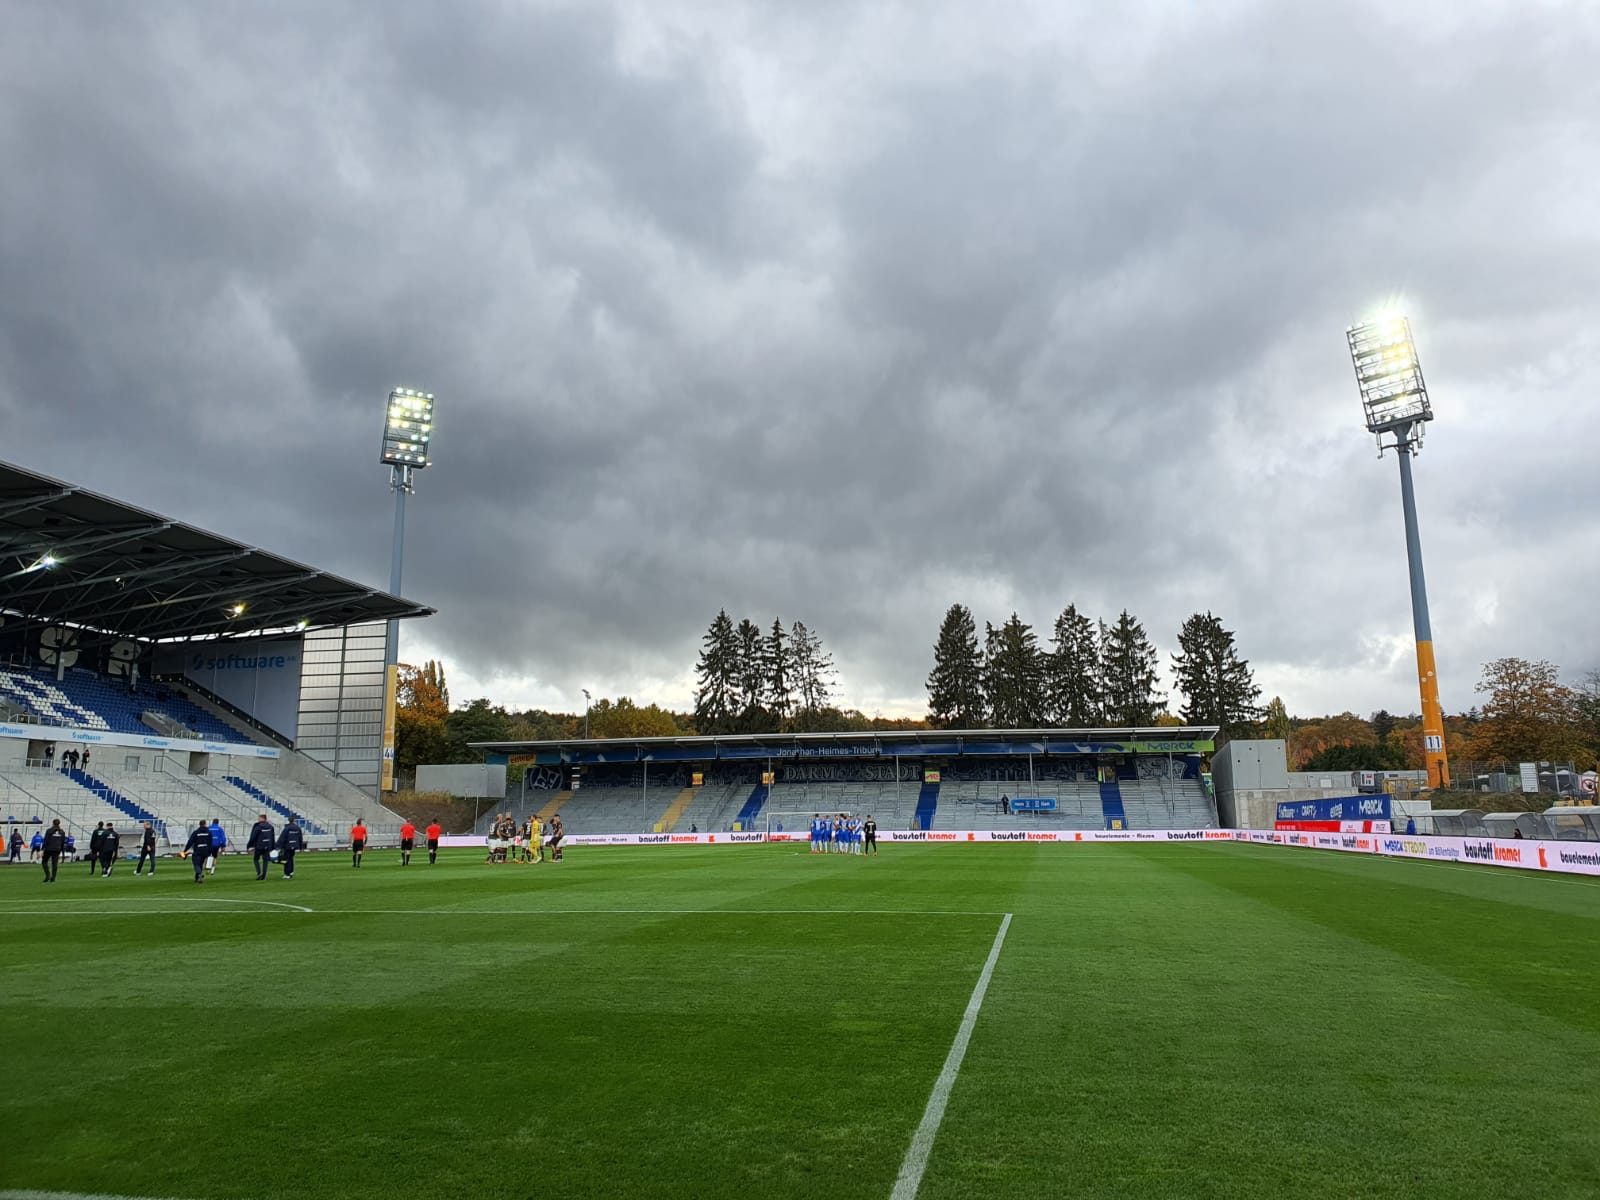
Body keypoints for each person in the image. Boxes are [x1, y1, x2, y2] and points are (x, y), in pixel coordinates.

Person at [246, 813, 276, 881]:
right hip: (267, 846)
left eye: (259, 818)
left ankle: (259, 872)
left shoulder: (258, 827)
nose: (258, 819)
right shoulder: (270, 827)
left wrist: (249, 845)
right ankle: (264, 875)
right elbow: (272, 837)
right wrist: (273, 846)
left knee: (256, 859)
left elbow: (253, 837)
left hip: (259, 846)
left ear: (263, 818)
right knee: (265, 861)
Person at [183, 819, 214, 884]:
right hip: (206, 851)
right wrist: (210, 851)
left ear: (199, 824)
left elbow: (190, 842)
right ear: (205, 824)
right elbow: (211, 842)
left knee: (196, 864)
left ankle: (199, 874)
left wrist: (185, 850)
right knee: (200, 864)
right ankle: (197, 878)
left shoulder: (196, 832)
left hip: (198, 850)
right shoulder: (209, 832)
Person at [41, 818, 66, 883]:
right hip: (57, 849)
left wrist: (42, 848)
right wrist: (62, 850)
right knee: (54, 863)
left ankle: (48, 875)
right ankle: (53, 877)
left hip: (49, 848)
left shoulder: (49, 831)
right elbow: (63, 841)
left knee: (44, 861)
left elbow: (46, 840)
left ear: (53, 823)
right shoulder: (62, 832)